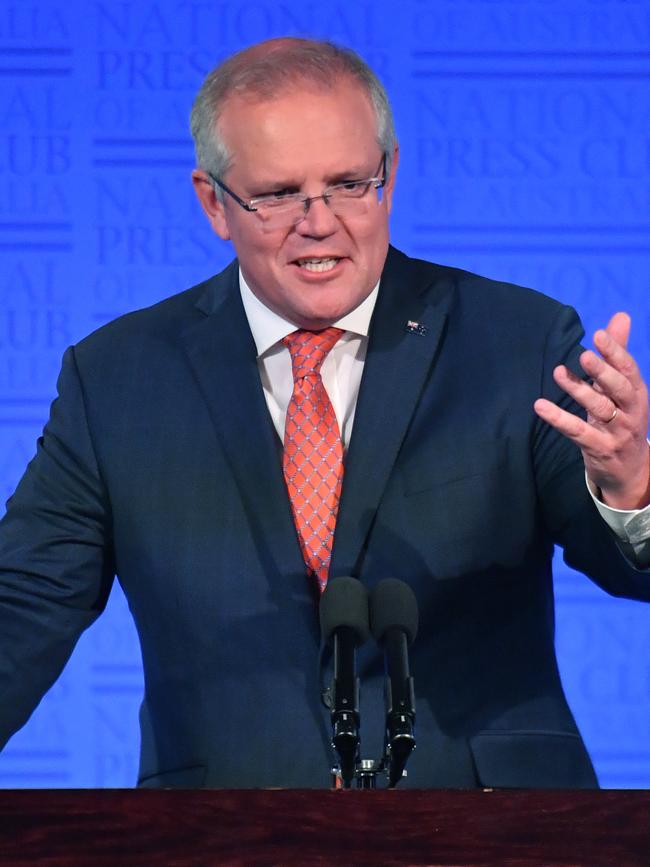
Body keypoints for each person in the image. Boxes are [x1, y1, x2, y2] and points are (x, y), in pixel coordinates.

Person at [0, 37, 649, 789]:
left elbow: (629, 567)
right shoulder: (117, 379)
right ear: (214, 202)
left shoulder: (517, 341)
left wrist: (631, 488)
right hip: (221, 834)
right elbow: (23, 607)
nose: (320, 222)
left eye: (348, 183)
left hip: (492, 825)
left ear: (390, 175)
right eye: (278, 193)